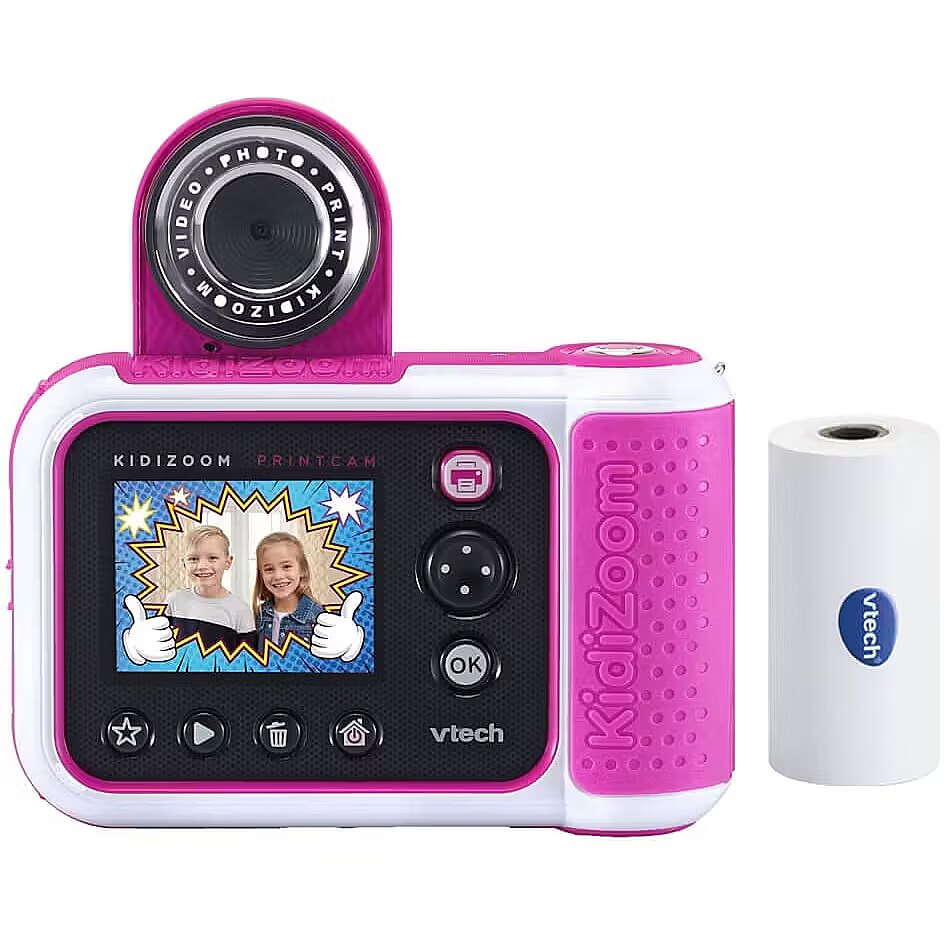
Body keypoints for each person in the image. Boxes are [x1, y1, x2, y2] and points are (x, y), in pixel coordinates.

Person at [253, 531, 364, 662]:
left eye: (286, 566)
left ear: (302, 570)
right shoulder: (258, 615)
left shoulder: (319, 617)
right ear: (261, 574)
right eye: (269, 569)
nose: (278, 576)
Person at [163, 524, 255, 651]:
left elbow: (247, 658)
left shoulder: (241, 610)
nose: (202, 566)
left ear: (228, 562)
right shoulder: (173, 601)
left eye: (212, 558)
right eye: (193, 559)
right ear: (184, 563)